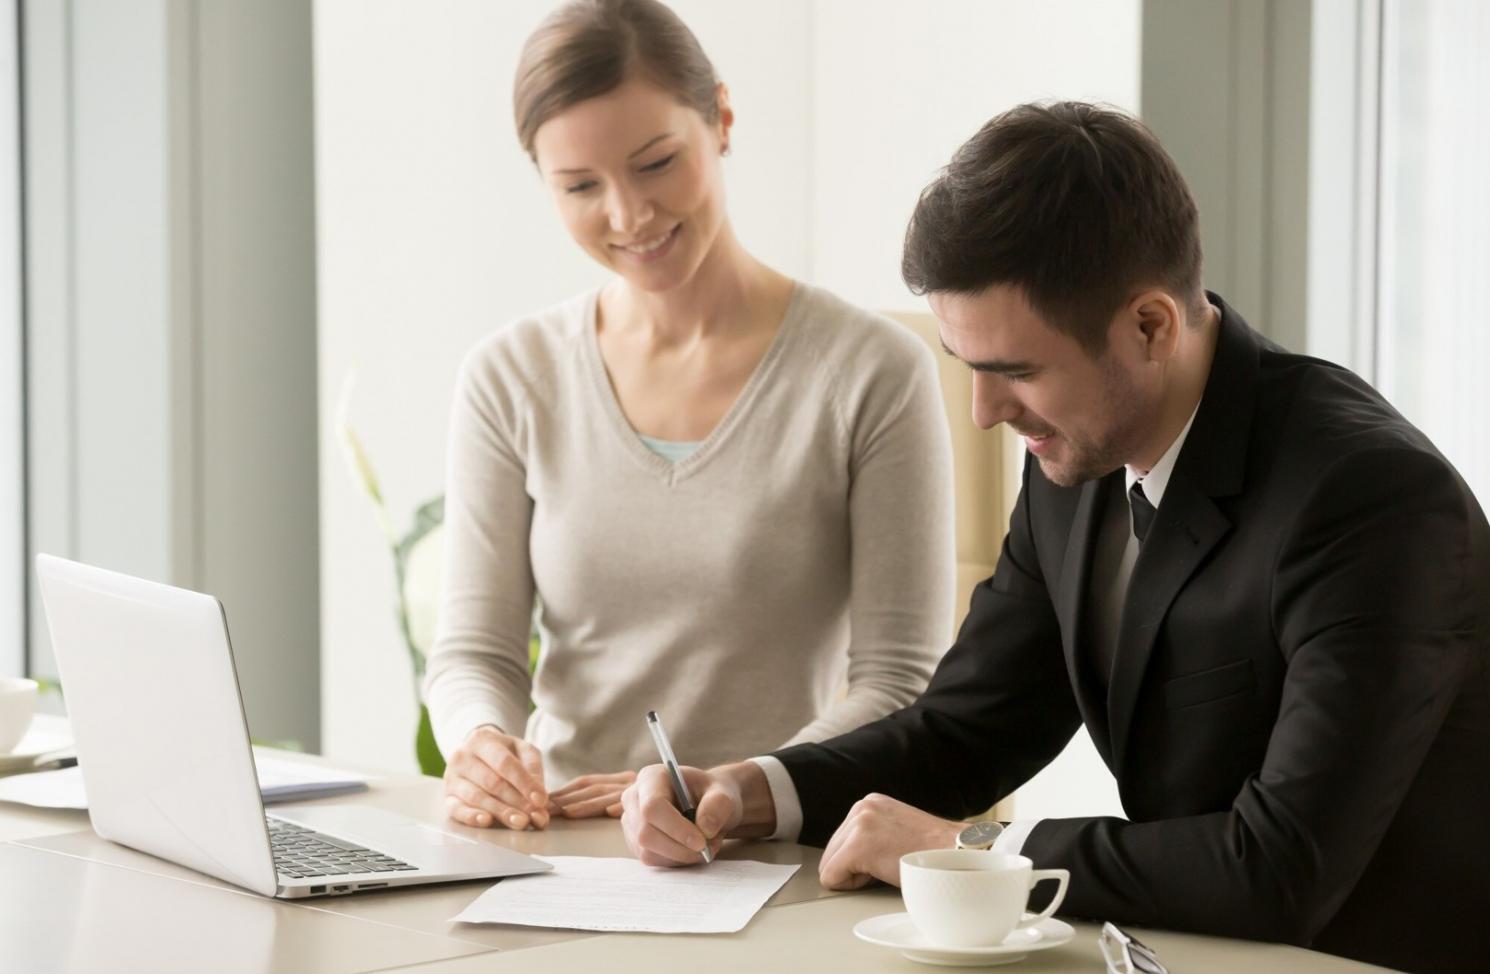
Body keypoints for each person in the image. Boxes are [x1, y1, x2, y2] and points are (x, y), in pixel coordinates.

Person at [620, 101, 1490, 974]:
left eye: (1017, 372)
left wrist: (978, 851)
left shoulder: (1373, 501)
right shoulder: (1075, 457)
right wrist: (752, 789)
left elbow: (1280, 865)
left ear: (1151, 326)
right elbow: (965, 732)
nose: (986, 413)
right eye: (970, 368)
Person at [423, 0, 954, 835]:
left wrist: (741, 792)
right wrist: (482, 743)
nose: (629, 215)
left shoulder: (873, 372)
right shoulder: (510, 377)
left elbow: (898, 679)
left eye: (657, 163)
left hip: (779, 847)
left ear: (723, 120)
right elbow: (474, 656)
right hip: (559, 851)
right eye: (580, 187)